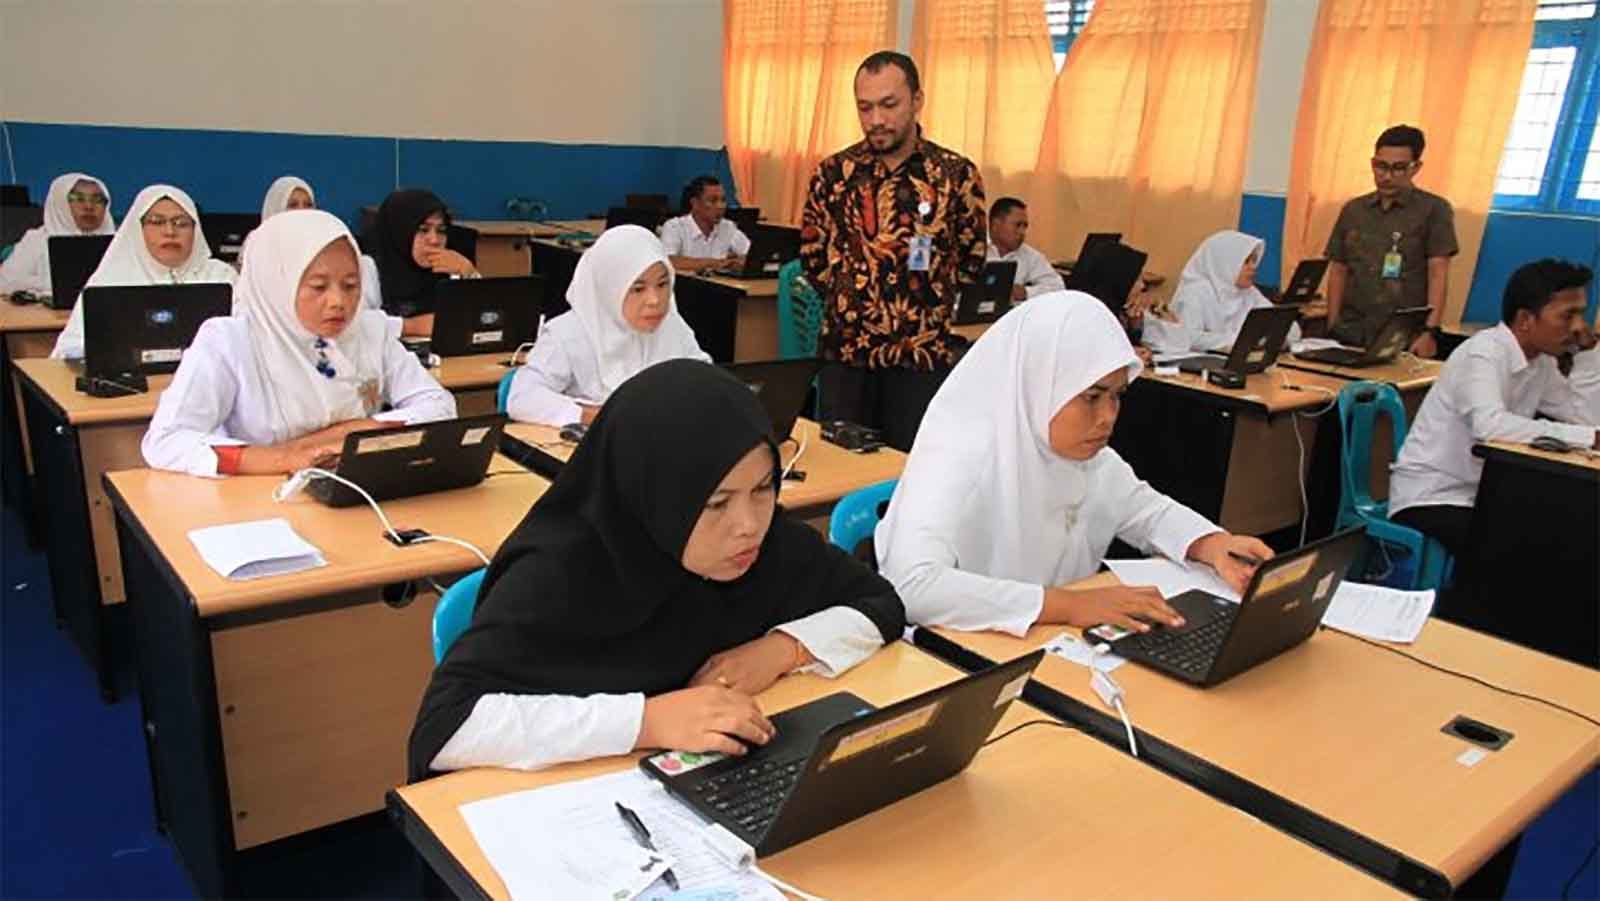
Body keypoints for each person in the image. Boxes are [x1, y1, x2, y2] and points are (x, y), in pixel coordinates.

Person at [408, 359, 906, 777]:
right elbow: (445, 728)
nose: (749, 526)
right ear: (654, 498)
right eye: (716, 504)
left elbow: (881, 604)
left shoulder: (770, 544)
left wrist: (782, 650)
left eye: (763, 488)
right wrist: (644, 721)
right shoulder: (560, 574)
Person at [875, 291, 1275, 636]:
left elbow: (1147, 511)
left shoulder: (1091, 458)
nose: (1108, 416)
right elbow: (912, 586)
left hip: (1055, 644)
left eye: (1117, 396)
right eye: (1091, 397)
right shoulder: (959, 455)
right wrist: (1068, 605)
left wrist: (1213, 545)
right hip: (960, 654)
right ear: (1040, 385)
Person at [141, 210, 456, 477]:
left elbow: (439, 406)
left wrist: (342, 435)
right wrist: (280, 458)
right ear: (277, 282)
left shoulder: (369, 330)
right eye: (318, 286)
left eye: (351, 285)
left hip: (353, 487)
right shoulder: (229, 342)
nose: (339, 302)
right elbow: (166, 440)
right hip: (258, 498)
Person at [800, 50, 987, 451]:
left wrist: (921, 304)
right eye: (864, 108)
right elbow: (813, 257)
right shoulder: (834, 174)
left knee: (910, 477)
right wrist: (855, 300)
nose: (876, 120)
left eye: (889, 105)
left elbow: (972, 260)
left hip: (922, 358)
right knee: (840, 469)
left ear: (917, 101)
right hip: (848, 355)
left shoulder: (955, 175)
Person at [1389, 259, 1597, 555]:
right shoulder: (1483, 353)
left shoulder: (1541, 362)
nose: (1578, 326)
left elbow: (1586, 420)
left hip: (1485, 492)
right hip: (1432, 496)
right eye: (1568, 316)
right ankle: (1467, 602)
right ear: (1526, 319)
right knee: (1531, 542)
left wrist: (1589, 353)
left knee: (1573, 523)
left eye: (1581, 315)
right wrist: (1586, 437)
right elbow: (1488, 426)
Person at [506, 225, 709, 427]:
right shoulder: (568, 333)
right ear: (609, 288)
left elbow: (705, 380)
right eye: (638, 289)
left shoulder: (672, 326)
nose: (655, 300)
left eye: (662, 284)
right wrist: (596, 416)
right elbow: (522, 397)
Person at [49, 184, 237, 360]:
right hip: (127, 388)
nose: (170, 231)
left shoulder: (221, 276)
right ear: (138, 229)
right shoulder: (110, 278)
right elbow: (67, 350)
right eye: (157, 222)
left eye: (181, 223)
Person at [1324, 124, 1457, 356]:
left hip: (1403, 334)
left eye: (1398, 168)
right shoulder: (1354, 210)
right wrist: (1333, 322)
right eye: (1380, 166)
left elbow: (1438, 272)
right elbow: (1338, 268)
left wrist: (1430, 332)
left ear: (1415, 168)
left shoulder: (1433, 210)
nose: (1386, 176)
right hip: (1352, 330)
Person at [1142, 230, 1301, 354]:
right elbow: (1190, 338)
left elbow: (1290, 327)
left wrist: (1276, 339)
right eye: (1246, 261)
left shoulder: (1249, 293)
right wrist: (1242, 341)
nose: (1253, 267)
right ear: (1225, 262)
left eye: (1254, 260)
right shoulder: (1195, 292)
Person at [363, 188, 478, 337]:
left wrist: (470, 274)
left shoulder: (450, 267)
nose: (434, 240)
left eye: (441, 230)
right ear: (400, 232)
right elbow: (356, 325)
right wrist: (411, 327)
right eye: (423, 230)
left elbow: (483, 322)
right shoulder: (368, 268)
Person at [0, 172, 115, 297]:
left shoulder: (119, 242)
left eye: (97, 200)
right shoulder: (36, 240)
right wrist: (52, 285)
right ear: (59, 202)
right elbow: (6, 282)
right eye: (78, 199)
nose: (89, 206)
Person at [658, 175, 750, 273]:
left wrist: (737, 262)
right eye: (713, 201)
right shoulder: (674, 226)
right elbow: (668, 261)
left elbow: (751, 255)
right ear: (695, 203)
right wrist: (714, 263)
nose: (720, 206)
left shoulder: (728, 227)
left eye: (723, 200)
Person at [986, 197, 1063, 301]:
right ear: (995, 225)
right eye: (1017, 225)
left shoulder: (1030, 256)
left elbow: (1058, 287)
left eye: (1025, 226)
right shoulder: (969, 249)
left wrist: (1026, 292)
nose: (1022, 232)